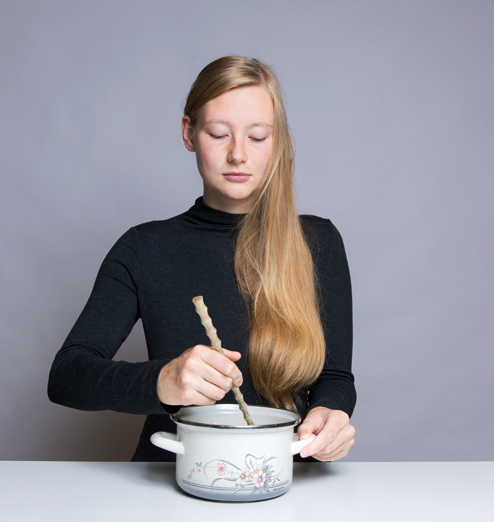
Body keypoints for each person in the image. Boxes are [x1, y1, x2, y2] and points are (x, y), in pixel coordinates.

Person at [48, 56, 356, 462]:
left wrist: (329, 414)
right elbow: (67, 376)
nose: (238, 155)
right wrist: (161, 381)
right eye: (218, 134)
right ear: (189, 133)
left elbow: (334, 377)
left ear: (277, 140)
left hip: (285, 483)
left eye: (258, 137)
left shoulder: (319, 242)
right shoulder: (144, 248)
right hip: (167, 485)